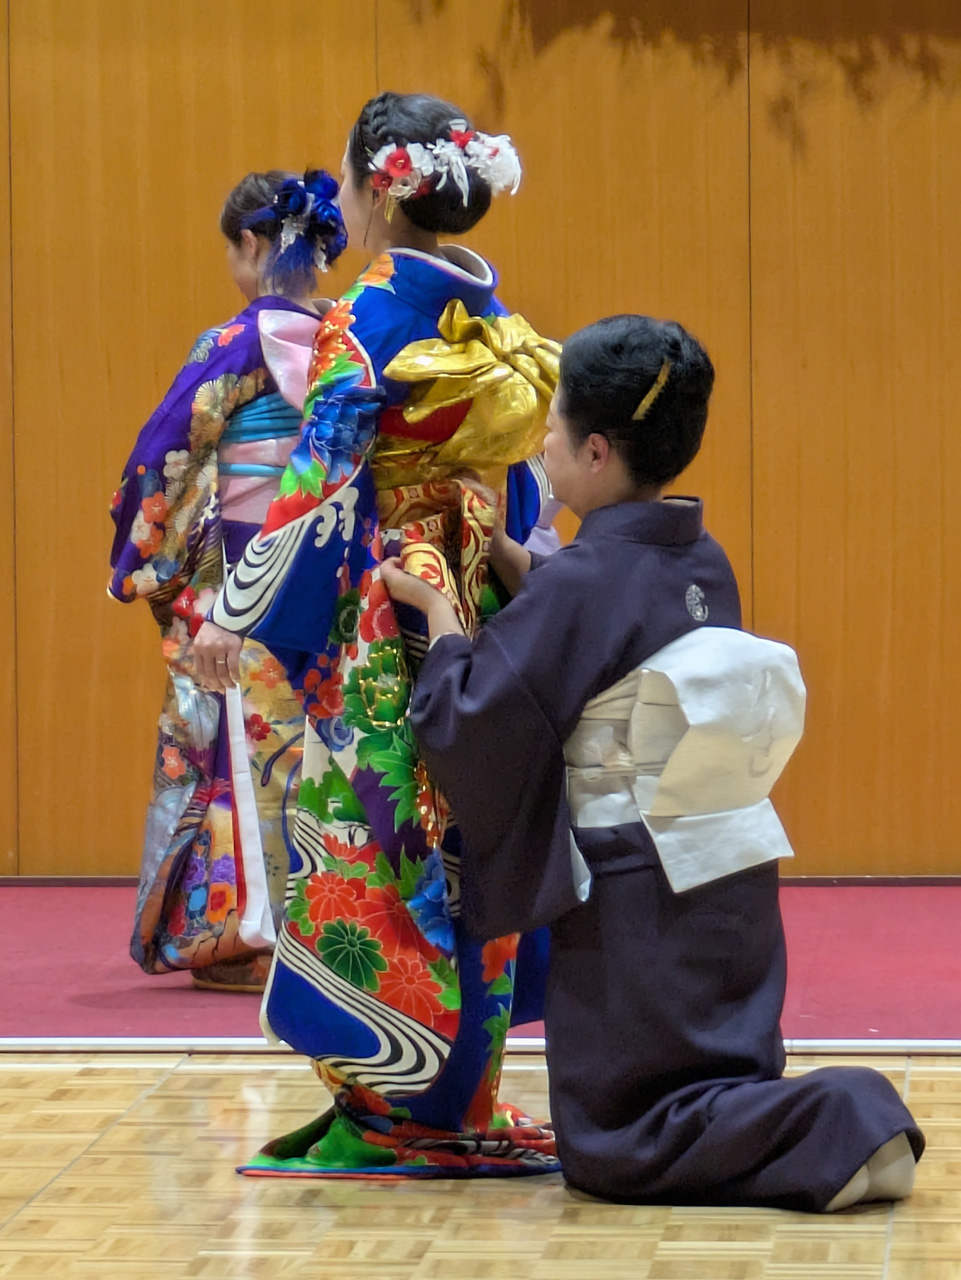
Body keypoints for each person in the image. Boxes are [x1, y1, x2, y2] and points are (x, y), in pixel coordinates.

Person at [384, 313, 925, 1211]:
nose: (540, 442)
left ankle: (844, 1119)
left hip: (635, 892)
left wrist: (442, 620)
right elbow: (597, 629)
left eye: (551, 425)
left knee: (615, 1144)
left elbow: (475, 716)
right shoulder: (693, 554)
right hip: (723, 882)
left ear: (595, 451)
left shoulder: (585, 581)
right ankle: (824, 1135)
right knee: (710, 1071)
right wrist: (528, 574)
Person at [193, 93, 561, 1177]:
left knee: (375, 839)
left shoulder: (370, 314)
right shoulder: (485, 305)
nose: (341, 201)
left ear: (379, 188)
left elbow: (320, 473)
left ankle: (398, 1106)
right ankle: (463, 1092)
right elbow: (521, 467)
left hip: (389, 598)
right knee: (469, 831)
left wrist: (235, 606)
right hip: (473, 582)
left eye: (349, 183)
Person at [109, 169, 347, 991]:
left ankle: (239, 934)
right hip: (322, 568)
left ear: (250, 244)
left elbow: (164, 453)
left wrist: (138, 556)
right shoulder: (347, 338)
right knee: (309, 741)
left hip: (238, 568)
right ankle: (319, 922)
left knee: (225, 742)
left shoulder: (235, 342)